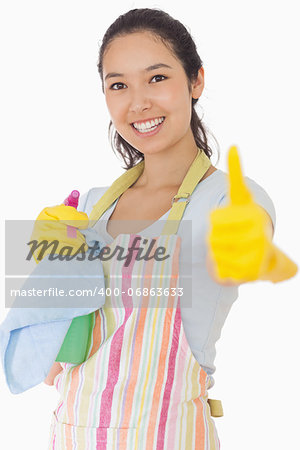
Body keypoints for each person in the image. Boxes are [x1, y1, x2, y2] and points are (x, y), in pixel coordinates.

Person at [41, 8, 297, 449]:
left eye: (157, 78)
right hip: (70, 437)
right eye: (118, 85)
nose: (138, 102)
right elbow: (47, 364)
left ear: (196, 81)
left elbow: (246, 235)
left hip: (169, 437)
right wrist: (41, 278)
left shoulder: (227, 198)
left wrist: (250, 247)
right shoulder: (85, 208)